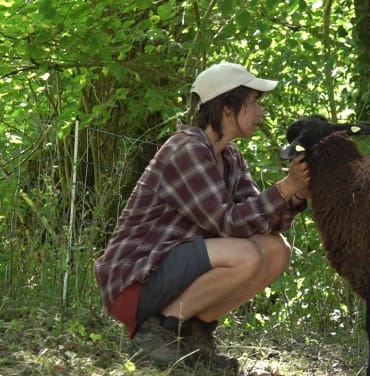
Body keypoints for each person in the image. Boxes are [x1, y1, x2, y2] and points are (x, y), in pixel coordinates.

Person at [94, 62, 309, 373]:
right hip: (135, 283)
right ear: (226, 108)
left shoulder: (231, 156)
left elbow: (256, 219)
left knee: (277, 250)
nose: (261, 112)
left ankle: (194, 335)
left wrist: (297, 194)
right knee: (247, 254)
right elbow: (229, 224)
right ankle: (159, 332)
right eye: (254, 102)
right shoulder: (187, 149)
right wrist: (285, 186)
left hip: (172, 272)